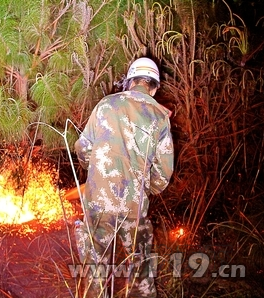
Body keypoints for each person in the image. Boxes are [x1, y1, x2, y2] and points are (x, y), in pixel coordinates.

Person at [74, 57, 174, 297]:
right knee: (141, 271)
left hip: (99, 203)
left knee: (94, 274)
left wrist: (95, 169)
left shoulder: (106, 105)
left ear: (129, 82)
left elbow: (83, 148)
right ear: (155, 86)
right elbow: (164, 172)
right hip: (134, 206)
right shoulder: (159, 118)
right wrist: (146, 188)